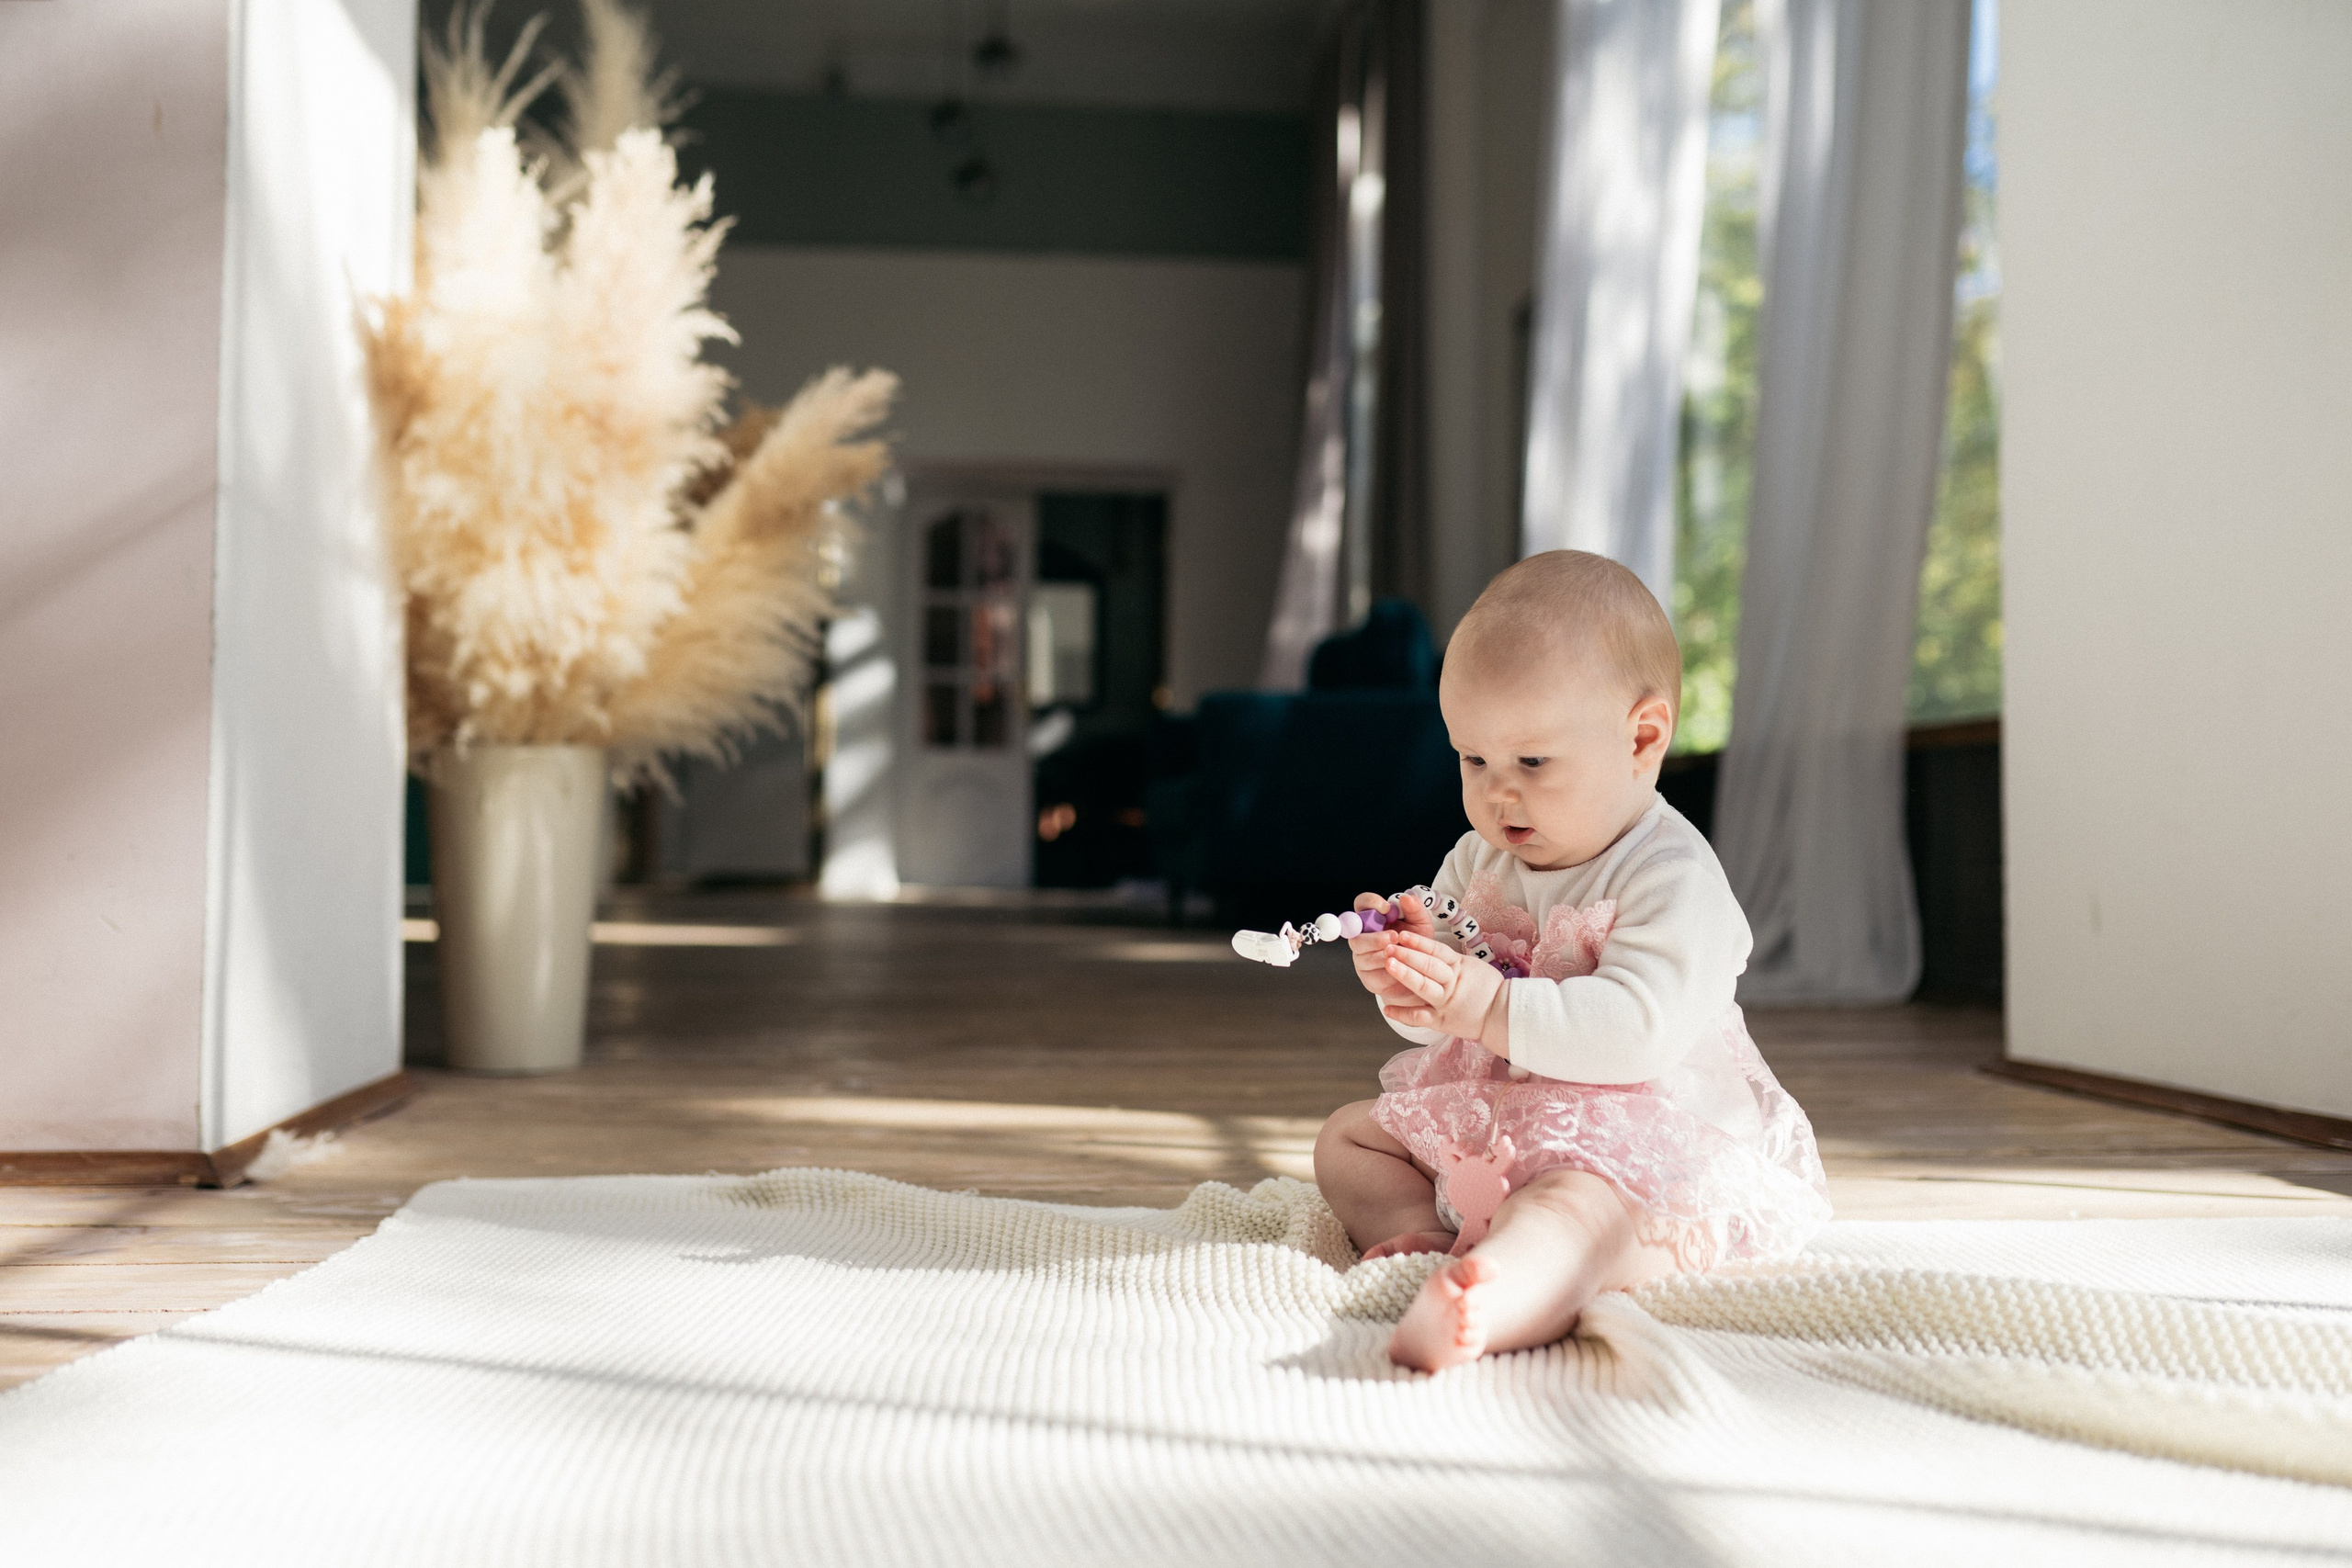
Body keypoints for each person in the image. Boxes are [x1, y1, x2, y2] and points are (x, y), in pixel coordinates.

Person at [1311, 550, 1831, 1371]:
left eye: (1532, 763)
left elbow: (1637, 1031)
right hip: (1499, 1116)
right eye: (1472, 759)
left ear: (1642, 737)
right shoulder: (1477, 859)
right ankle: (1432, 1237)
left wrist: (1483, 1006)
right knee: (1346, 1141)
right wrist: (1408, 981)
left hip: (1630, 1135)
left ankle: (1496, 1293)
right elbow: (1434, 1019)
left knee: (1578, 1212)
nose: (1497, 793)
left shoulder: (1671, 876)